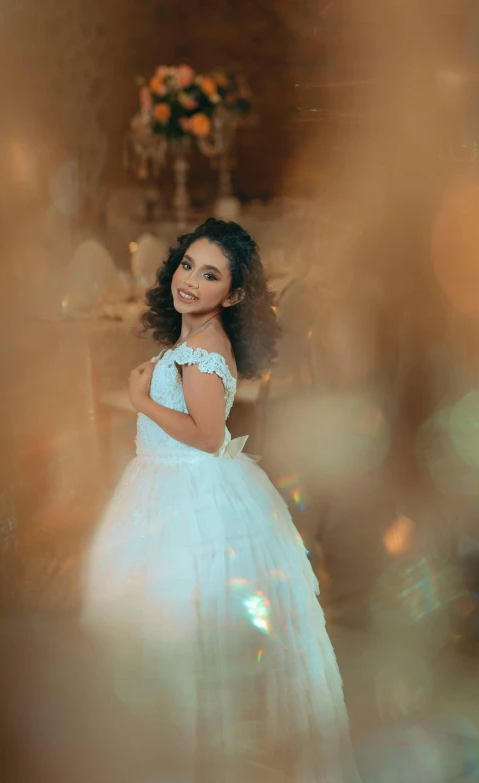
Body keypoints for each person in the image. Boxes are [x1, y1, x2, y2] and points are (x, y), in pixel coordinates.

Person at [82, 218, 359, 782]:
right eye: (187, 265)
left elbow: (209, 437)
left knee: (187, 627)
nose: (190, 281)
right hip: (168, 480)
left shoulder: (203, 353)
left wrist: (142, 399)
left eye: (210, 276)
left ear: (231, 295)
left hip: (188, 487)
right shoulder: (194, 342)